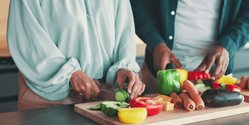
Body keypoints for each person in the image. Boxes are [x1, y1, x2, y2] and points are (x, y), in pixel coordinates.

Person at [7, 0, 145, 110]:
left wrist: (123, 68)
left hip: (103, 98)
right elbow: (29, 38)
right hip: (50, 99)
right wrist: (70, 73)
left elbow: (124, 32)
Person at [130, 0, 249, 91]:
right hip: (158, 75)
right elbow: (135, 4)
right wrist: (155, 42)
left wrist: (229, 44)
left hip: (216, 78)